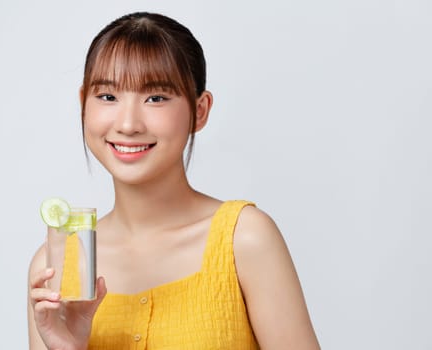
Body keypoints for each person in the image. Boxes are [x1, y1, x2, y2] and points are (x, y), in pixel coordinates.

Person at [28, 12, 320, 350]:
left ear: (200, 111)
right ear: (83, 105)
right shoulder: (54, 265)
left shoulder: (245, 239)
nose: (128, 124)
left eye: (156, 98)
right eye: (107, 96)